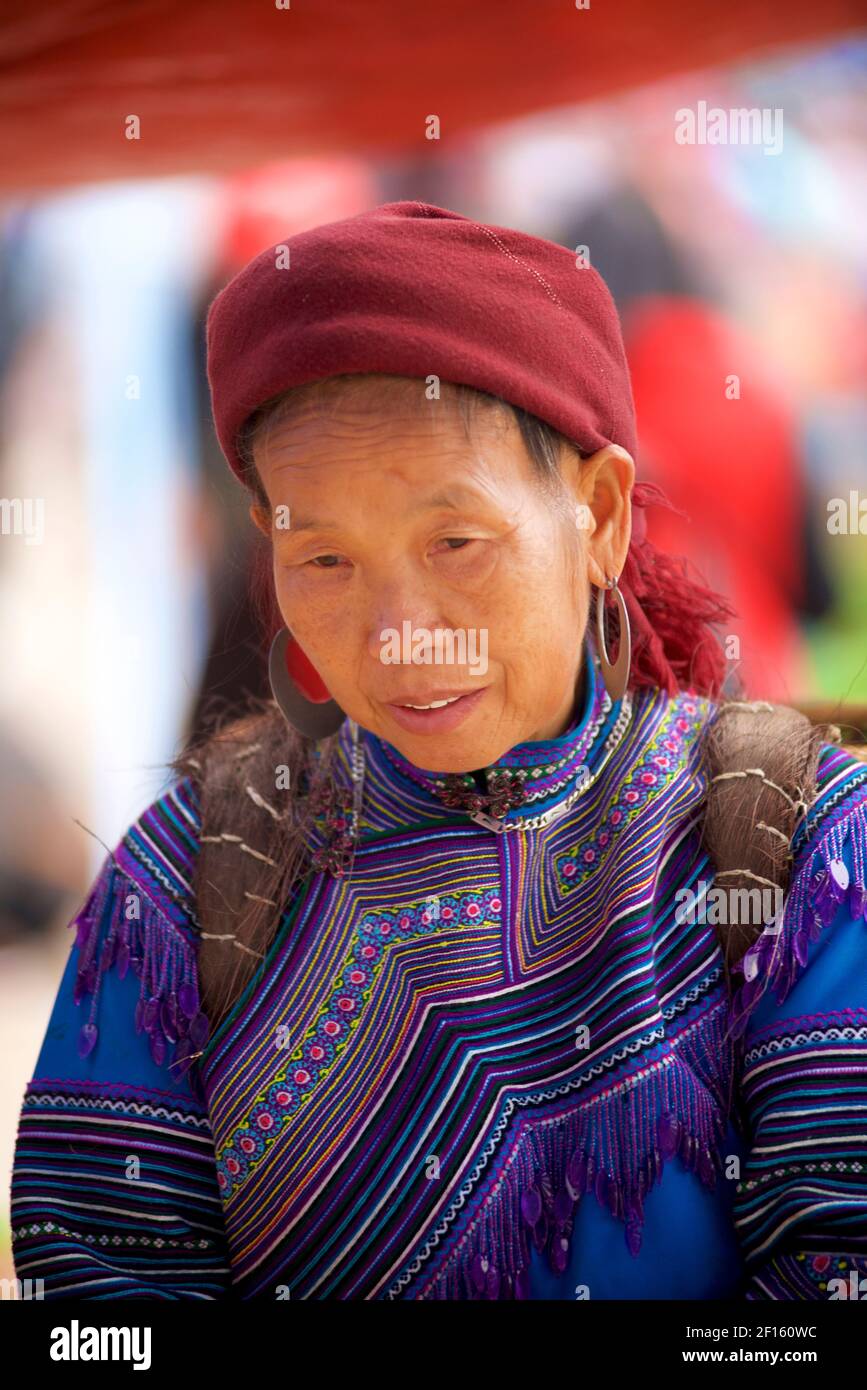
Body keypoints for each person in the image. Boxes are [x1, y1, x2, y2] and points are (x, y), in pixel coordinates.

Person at [10, 202, 867, 1300]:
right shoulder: (179, 889)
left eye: (455, 542)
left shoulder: (800, 850)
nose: (399, 631)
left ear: (599, 515)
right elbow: (98, 1302)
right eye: (323, 560)